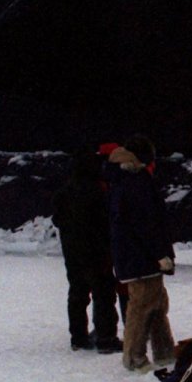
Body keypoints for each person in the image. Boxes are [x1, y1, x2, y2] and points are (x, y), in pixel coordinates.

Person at [105, 135, 176, 373]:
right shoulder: (136, 182)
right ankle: (134, 358)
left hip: (135, 255)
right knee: (142, 306)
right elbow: (145, 223)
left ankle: (165, 352)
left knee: (156, 303)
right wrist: (160, 254)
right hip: (141, 257)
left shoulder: (124, 179)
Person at [52, 149, 121, 353]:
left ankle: (78, 337)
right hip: (96, 250)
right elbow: (104, 221)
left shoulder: (64, 192)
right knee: (104, 293)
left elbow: (59, 219)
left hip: (73, 250)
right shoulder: (98, 191)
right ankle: (106, 337)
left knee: (77, 292)